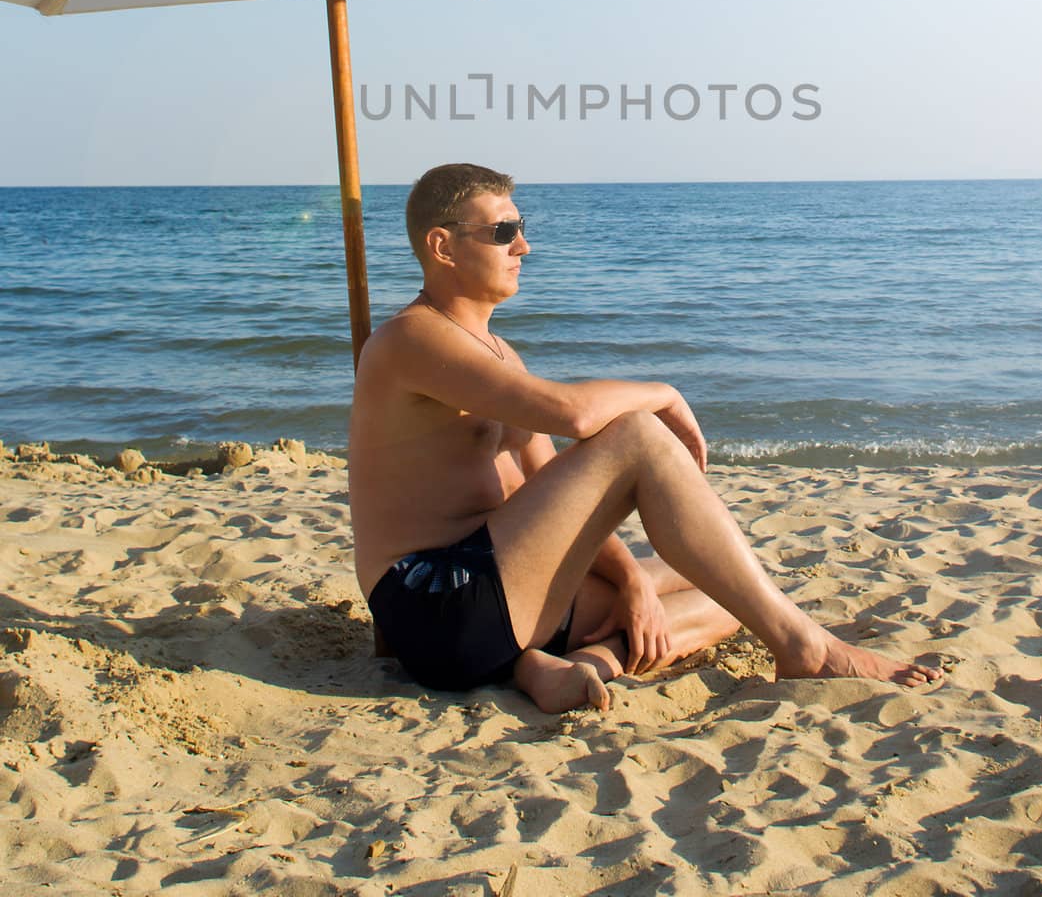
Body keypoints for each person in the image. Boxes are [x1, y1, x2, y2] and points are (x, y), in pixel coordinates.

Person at [348, 163, 940, 713]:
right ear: (442, 245)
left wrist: (632, 582)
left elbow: (550, 487)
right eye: (504, 230)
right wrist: (664, 392)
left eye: (521, 227)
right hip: (437, 604)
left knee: (726, 592)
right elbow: (574, 415)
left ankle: (573, 663)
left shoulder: (499, 355)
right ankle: (807, 649)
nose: (523, 246)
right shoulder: (411, 340)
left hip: (501, 593)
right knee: (636, 433)